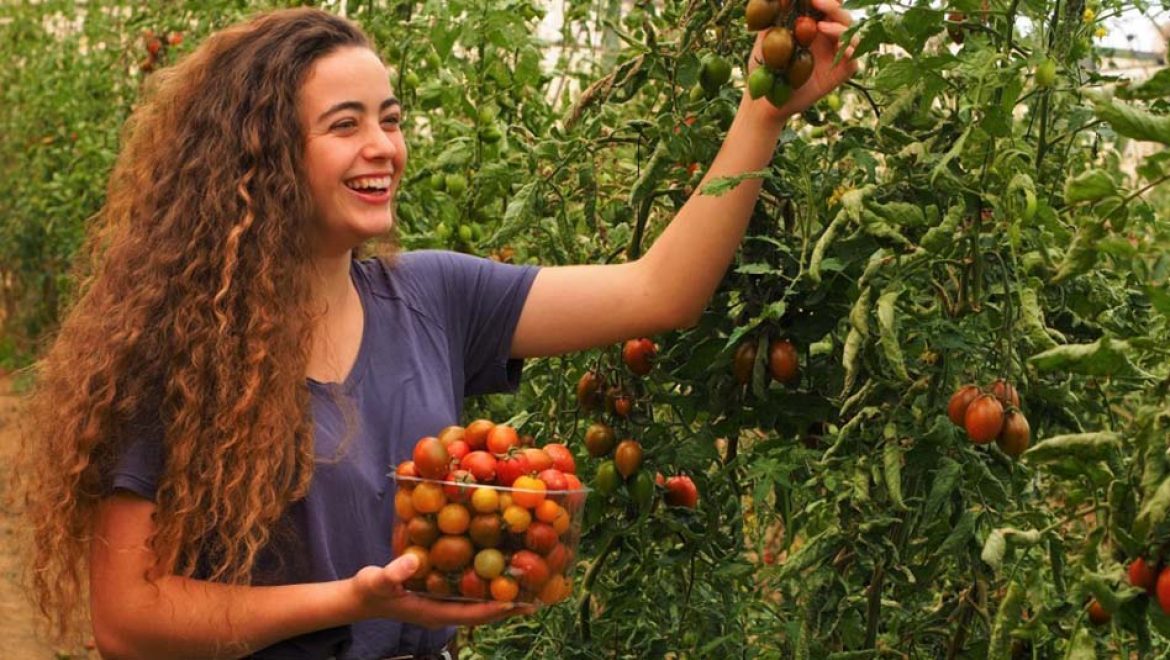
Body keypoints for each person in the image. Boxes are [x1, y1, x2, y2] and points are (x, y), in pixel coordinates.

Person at [17, 5, 857, 659]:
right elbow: (130, 621)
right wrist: (352, 601)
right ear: (262, 157)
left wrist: (763, 112)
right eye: (344, 125)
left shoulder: (432, 294)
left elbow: (659, 290)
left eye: (391, 118)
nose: (383, 146)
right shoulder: (181, 348)